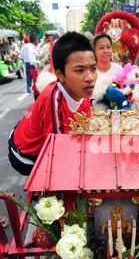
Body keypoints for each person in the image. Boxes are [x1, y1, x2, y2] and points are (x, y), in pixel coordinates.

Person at [8, 32, 97, 176]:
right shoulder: (54, 101)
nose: (90, 77)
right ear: (60, 74)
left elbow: (85, 130)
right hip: (24, 156)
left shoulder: (84, 90)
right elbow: (60, 152)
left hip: (33, 135)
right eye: (80, 70)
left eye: (93, 68)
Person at [92, 33, 123, 106]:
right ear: (94, 51)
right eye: (101, 48)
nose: (106, 51)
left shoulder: (119, 69)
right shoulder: (90, 72)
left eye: (108, 47)